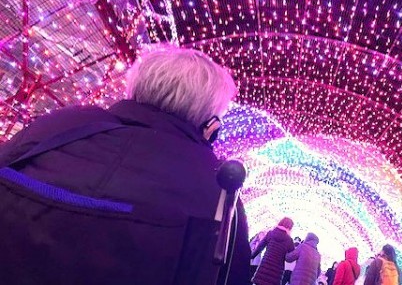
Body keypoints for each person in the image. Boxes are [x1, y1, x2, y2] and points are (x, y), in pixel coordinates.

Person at [0, 45, 251, 285]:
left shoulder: (58, 125)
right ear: (211, 124)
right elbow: (232, 276)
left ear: (135, 87)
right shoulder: (219, 188)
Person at [251, 217, 295, 285]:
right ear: (289, 228)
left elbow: (260, 247)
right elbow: (291, 257)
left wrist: (252, 256)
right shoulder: (289, 240)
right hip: (277, 272)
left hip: (264, 267)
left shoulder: (271, 233)